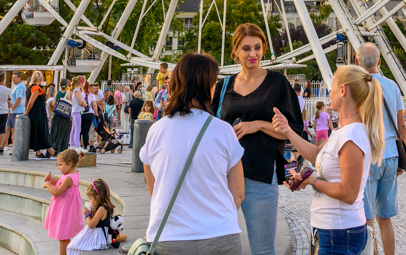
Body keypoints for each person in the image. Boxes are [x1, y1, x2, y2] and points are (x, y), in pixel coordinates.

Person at [213, 23, 305, 255]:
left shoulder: (277, 84)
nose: (252, 54)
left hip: (260, 175)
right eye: (246, 48)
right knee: (216, 247)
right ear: (235, 51)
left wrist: (260, 125)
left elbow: (294, 129)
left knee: (263, 250)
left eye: (257, 47)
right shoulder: (223, 86)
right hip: (222, 177)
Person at [272, 64, 384, 255]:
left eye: (331, 86)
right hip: (333, 230)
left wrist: (311, 180)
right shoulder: (343, 131)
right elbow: (317, 154)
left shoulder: (351, 135)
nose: (329, 92)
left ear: (343, 90)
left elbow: (348, 193)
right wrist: (288, 131)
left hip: (339, 232)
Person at [142, 52, 244, 255]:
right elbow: (238, 193)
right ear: (207, 86)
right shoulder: (224, 131)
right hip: (220, 234)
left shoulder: (156, 130)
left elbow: (155, 190)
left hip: (169, 237)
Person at [356, 43, 404, 255]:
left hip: (368, 155)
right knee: (385, 218)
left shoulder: (357, 86)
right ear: (379, 61)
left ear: (356, 61)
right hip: (391, 155)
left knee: (367, 218)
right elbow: (401, 124)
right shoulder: (393, 86)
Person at [44, 148, 84, 255]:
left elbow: (56, 192)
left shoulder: (68, 178)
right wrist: (52, 180)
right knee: (66, 238)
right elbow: (61, 184)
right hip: (68, 210)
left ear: (69, 164)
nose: (59, 167)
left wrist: (48, 185)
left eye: (60, 165)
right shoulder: (72, 174)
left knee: (62, 237)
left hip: (64, 211)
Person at [68, 177, 123, 253]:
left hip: (98, 239)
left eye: (90, 198)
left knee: (71, 247)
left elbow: (91, 225)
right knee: (75, 242)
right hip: (98, 236)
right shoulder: (104, 206)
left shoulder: (102, 209)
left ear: (97, 198)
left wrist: (86, 214)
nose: (90, 201)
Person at [27, 71, 54, 160]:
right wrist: (26, 112)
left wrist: (27, 112)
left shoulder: (28, 88)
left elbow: (26, 102)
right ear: (41, 79)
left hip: (33, 113)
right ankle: (52, 151)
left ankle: (38, 153)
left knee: (36, 133)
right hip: (38, 114)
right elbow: (31, 102)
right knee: (43, 132)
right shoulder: (36, 89)